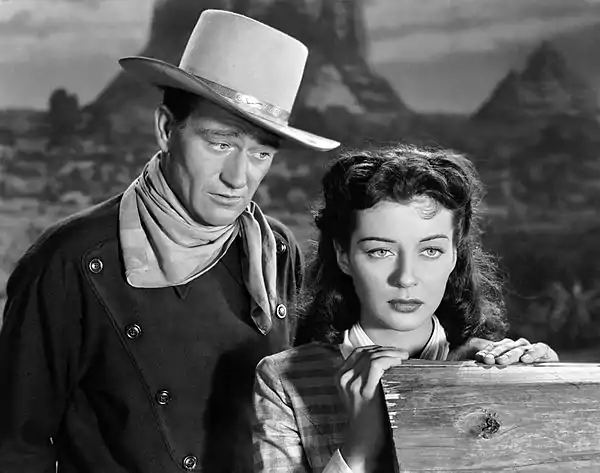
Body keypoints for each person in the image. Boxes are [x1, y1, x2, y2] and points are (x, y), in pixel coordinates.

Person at [0, 9, 339, 473]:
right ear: (165, 129)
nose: (238, 177)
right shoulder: (70, 262)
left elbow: (303, 411)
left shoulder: (276, 251)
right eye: (220, 143)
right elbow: (17, 448)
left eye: (261, 153)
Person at [253, 144, 559, 473]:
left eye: (430, 251)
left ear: (454, 256)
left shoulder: (493, 369)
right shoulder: (284, 379)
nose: (406, 278)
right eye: (380, 252)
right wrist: (360, 446)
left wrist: (554, 397)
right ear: (344, 256)